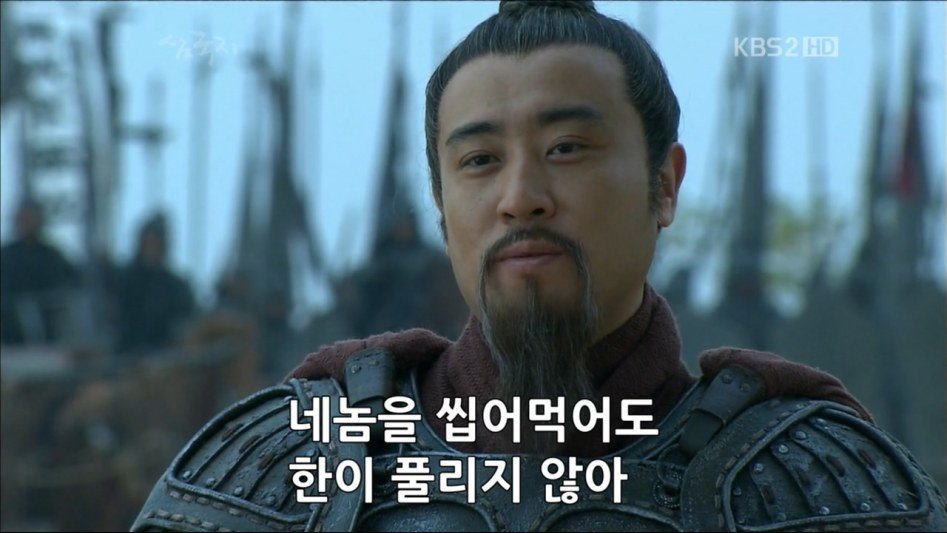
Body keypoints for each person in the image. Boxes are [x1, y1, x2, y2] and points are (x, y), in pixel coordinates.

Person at [133, 2, 946, 531]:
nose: (520, 197)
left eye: (565, 148)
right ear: (443, 206)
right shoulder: (301, 459)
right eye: (479, 160)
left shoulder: (793, 474)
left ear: (663, 184)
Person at [114, 212, 195, 356]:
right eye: (147, 243)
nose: (150, 249)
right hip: (127, 354)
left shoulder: (176, 287)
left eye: (154, 244)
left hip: (165, 355)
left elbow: (185, 321)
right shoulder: (124, 280)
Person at [1, 199, 80, 344]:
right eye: (24, 219)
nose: (28, 223)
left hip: (48, 327)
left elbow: (73, 281)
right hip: (10, 329)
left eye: (32, 218)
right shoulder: (6, 255)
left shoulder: (51, 255)